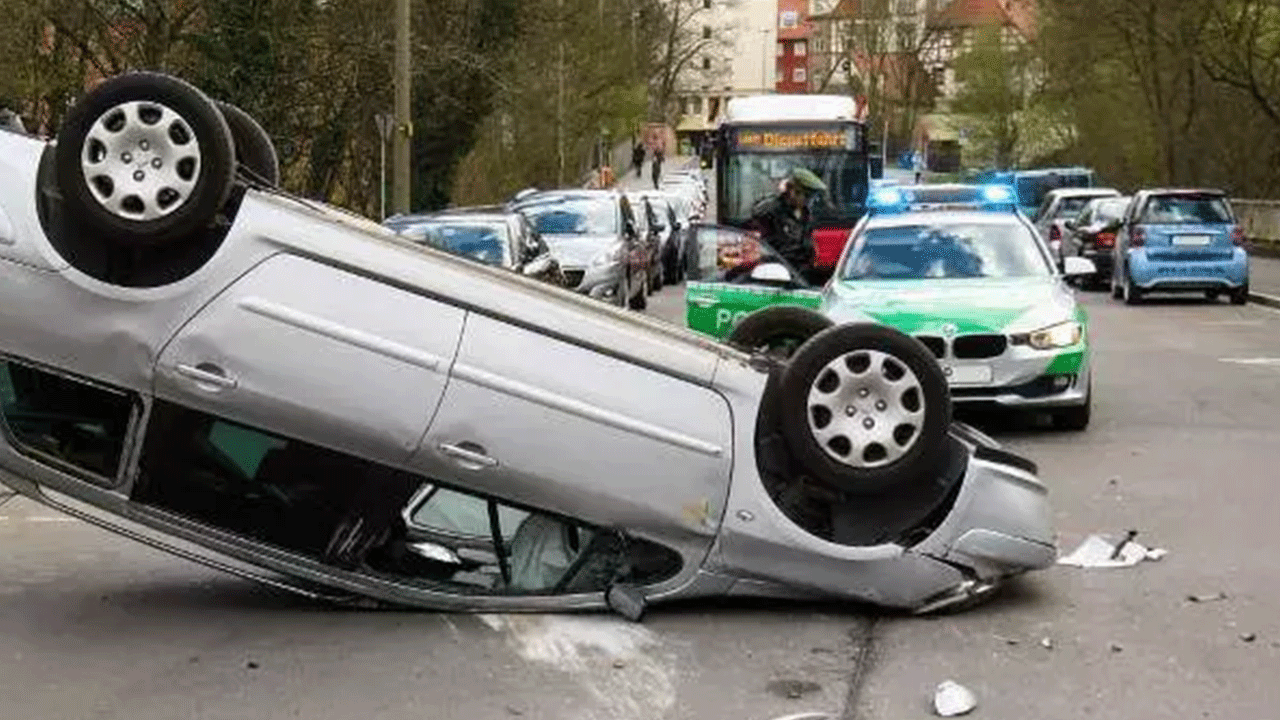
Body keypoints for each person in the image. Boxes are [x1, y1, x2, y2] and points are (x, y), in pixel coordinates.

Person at [743, 167, 829, 281]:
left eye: (812, 198)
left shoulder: (805, 213)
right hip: (776, 275)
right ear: (792, 191)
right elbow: (761, 246)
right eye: (806, 196)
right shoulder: (771, 211)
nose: (808, 202)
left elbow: (807, 242)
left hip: (800, 273)